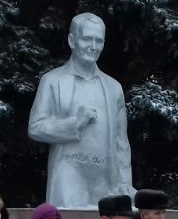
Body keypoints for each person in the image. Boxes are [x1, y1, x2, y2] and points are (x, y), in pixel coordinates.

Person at [28, 12, 134, 208]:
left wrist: (125, 182)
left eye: (99, 41)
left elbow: (121, 143)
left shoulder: (113, 88)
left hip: (106, 180)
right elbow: (35, 127)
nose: (93, 47)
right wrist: (75, 123)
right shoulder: (52, 81)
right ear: (72, 40)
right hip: (68, 176)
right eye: (87, 39)